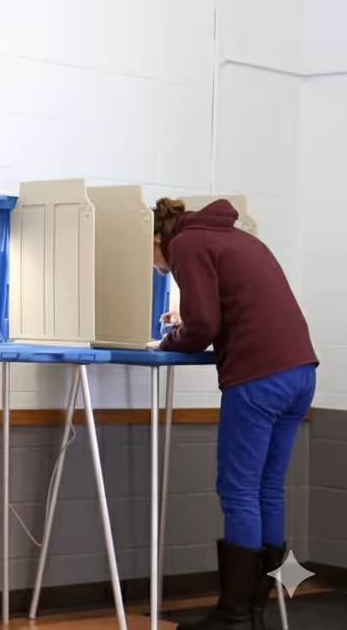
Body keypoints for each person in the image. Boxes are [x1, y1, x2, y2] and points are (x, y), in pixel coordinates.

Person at [151, 197, 317, 630]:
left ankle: (233, 614)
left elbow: (203, 325)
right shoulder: (238, 238)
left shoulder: (186, 243)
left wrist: (169, 340)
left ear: (157, 239)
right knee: (267, 489)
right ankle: (258, 610)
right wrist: (186, 322)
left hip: (258, 375)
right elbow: (231, 310)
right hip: (300, 372)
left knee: (238, 491)